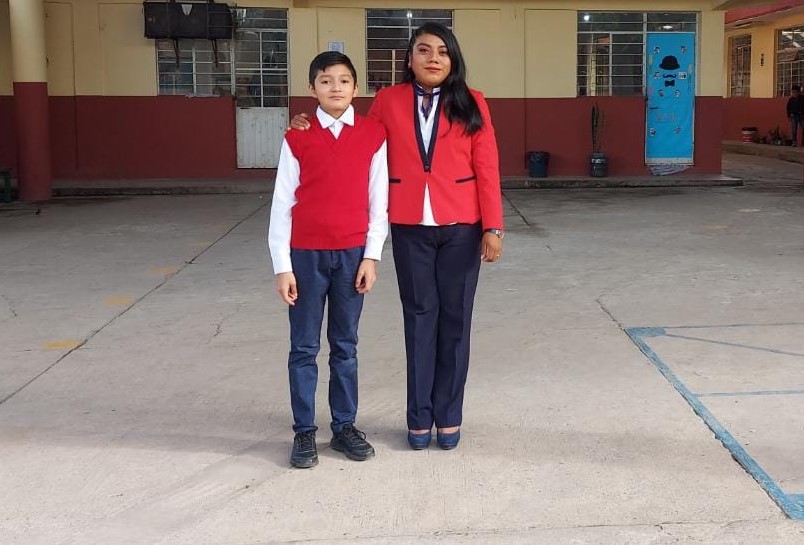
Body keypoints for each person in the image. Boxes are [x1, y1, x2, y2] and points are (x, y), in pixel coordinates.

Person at [291, 23, 503, 451]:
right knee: (419, 319)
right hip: (408, 224)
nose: (433, 58)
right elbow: (357, 138)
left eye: (442, 51)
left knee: (456, 321)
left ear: (453, 59)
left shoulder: (472, 100)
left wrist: (493, 226)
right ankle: (419, 419)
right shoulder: (389, 100)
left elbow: (487, 164)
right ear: (410, 58)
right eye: (423, 50)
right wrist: (307, 123)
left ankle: (449, 416)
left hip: (463, 225)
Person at [268, 51, 389, 469]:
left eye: (343, 80)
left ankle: (344, 426)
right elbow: (282, 203)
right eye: (325, 80)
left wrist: (371, 256)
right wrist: (282, 265)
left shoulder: (373, 135)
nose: (335, 87)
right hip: (305, 256)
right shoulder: (297, 137)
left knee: (345, 345)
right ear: (312, 88)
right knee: (303, 346)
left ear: (356, 88)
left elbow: (378, 201)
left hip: (352, 255)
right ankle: (304, 431)